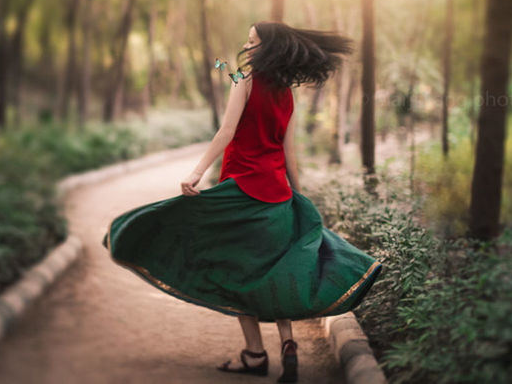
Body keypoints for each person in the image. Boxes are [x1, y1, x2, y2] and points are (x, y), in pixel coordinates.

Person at [102, 21, 383, 383]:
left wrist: (196, 173)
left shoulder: (245, 82)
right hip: (277, 195)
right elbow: (287, 150)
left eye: (253, 42)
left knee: (237, 270)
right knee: (274, 271)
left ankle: (254, 354)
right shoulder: (283, 92)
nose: (247, 46)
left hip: (241, 193)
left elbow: (226, 131)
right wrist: (295, 194)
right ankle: (288, 345)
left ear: (268, 48)